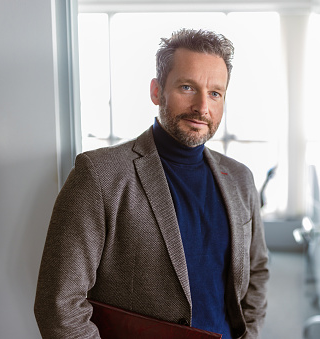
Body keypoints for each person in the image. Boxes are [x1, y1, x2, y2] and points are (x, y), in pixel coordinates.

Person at [34, 28, 269, 339]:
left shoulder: (240, 178)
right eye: (187, 87)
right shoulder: (99, 174)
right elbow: (59, 304)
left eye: (215, 93)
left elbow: (257, 273)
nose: (202, 106)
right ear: (157, 91)